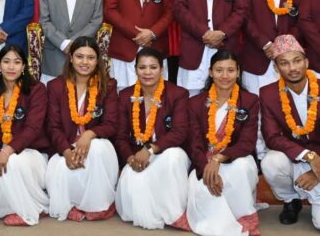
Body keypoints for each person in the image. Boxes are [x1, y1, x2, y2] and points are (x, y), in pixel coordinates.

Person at [259, 34, 320, 233]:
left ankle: (319, 193)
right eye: (284, 63)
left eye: (297, 61)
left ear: (307, 62)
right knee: (271, 161)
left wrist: (318, 170)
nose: (292, 68)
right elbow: (272, 137)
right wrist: (309, 156)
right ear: (276, 68)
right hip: (294, 158)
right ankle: (291, 200)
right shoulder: (268, 94)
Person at [182, 50, 260, 236]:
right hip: (203, 163)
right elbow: (194, 145)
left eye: (230, 70)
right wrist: (205, 167)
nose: (225, 76)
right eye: (219, 70)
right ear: (210, 72)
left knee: (241, 167)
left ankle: (243, 217)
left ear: (238, 72)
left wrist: (218, 159)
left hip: (236, 159)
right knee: (205, 200)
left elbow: (247, 143)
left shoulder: (249, 101)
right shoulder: (195, 103)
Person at [44, 36, 119, 221]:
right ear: (71, 58)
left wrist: (89, 135)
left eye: (90, 57)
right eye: (79, 56)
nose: (85, 62)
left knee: (97, 149)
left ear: (97, 60)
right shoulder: (55, 86)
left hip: (97, 146)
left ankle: (98, 205)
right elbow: (53, 127)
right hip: (65, 146)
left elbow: (111, 124)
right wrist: (66, 152)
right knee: (60, 169)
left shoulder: (108, 85)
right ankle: (74, 205)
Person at [114, 47, 190, 229]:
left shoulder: (177, 94)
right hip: (137, 157)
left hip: (165, 153)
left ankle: (174, 213)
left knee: (174, 156)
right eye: (142, 67)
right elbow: (121, 137)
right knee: (133, 202)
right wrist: (130, 158)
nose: (147, 72)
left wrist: (150, 150)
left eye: (153, 67)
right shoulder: (125, 95)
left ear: (162, 69)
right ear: (135, 70)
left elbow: (179, 132)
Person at [0, 45, 50, 226]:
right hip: (4, 151)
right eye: (6, 62)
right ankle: (11, 207)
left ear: (24, 66)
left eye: (17, 62)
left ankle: (30, 210)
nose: (11, 67)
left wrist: (6, 151)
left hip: (33, 153)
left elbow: (32, 129)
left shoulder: (37, 89)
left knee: (13, 162)